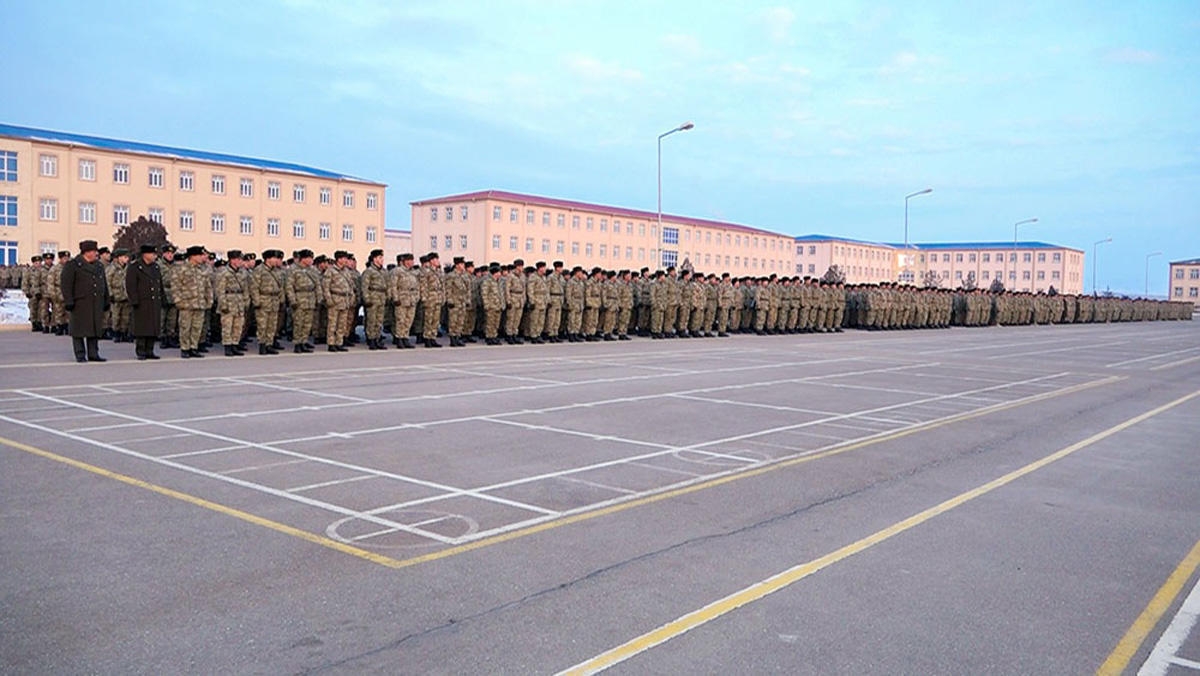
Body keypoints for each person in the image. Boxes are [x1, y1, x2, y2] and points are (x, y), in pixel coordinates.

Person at [60, 240, 109, 363]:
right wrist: (69, 300)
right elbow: (66, 284)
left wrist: (106, 299)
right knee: (79, 329)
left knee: (94, 328)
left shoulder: (99, 266)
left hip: (96, 301)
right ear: (86, 252)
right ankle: (80, 354)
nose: (95, 254)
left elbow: (104, 284)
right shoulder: (73, 265)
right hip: (80, 302)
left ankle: (93, 353)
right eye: (93, 251)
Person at [125, 244, 164, 360]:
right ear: (145, 254)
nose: (154, 256)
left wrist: (162, 297)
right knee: (142, 328)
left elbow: (159, 284)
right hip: (142, 302)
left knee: (153, 327)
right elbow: (130, 285)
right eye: (152, 254)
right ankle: (141, 351)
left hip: (154, 301)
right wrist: (134, 300)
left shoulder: (155, 267)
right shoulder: (135, 267)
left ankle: (150, 350)